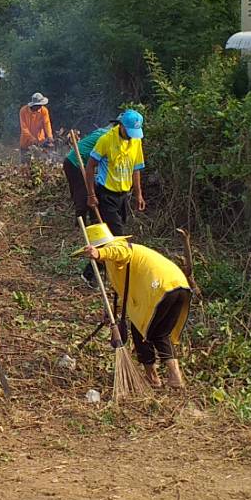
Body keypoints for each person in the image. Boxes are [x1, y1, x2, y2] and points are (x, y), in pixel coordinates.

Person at [80, 222, 189, 389]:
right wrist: (113, 311)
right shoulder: (116, 264)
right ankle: (175, 377)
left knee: (140, 331)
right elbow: (126, 293)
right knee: (160, 333)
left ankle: (152, 378)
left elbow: (121, 252)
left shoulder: (118, 248)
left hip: (159, 289)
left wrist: (99, 253)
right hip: (178, 287)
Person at [87, 108, 147, 229]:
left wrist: (138, 194)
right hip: (106, 194)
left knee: (120, 226)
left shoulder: (136, 141)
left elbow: (136, 169)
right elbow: (90, 166)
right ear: (121, 126)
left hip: (124, 195)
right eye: (129, 132)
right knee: (117, 231)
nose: (131, 136)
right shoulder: (106, 140)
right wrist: (91, 195)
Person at [18, 93, 54, 159]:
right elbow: (24, 129)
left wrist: (49, 136)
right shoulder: (23, 111)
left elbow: (47, 123)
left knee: (40, 162)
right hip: (26, 143)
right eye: (39, 105)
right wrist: (33, 140)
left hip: (40, 141)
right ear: (34, 105)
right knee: (25, 163)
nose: (40, 106)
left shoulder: (44, 110)